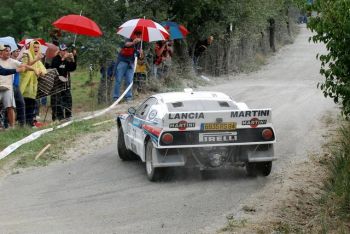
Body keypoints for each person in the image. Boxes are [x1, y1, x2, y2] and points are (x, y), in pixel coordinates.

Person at [0, 44, 32, 128]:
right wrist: (17, 70)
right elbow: (3, 71)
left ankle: (13, 127)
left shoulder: (12, 61)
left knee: (11, 107)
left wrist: (34, 69)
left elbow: (25, 66)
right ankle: (4, 125)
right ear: (1, 52)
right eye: (6, 50)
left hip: (9, 87)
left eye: (9, 50)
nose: (8, 52)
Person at [20, 40, 47, 126]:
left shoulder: (37, 57)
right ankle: (25, 122)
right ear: (31, 47)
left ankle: (30, 122)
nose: (36, 49)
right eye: (35, 47)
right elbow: (25, 66)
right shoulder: (26, 53)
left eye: (38, 47)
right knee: (26, 102)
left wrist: (41, 72)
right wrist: (36, 59)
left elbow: (42, 69)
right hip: (25, 82)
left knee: (32, 103)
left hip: (33, 83)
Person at [113, 31, 143, 102]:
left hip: (131, 63)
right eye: (138, 35)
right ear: (134, 35)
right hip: (122, 62)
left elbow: (139, 57)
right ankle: (116, 97)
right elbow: (126, 44)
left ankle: (128, 97)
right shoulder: (128, 38)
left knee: (129, 81)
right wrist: (133, 42)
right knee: (118, 80)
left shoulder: (140, 44)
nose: (139, 37)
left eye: (140, 35)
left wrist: (141, 53)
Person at [50, 43, 77, 121]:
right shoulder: (55, 59)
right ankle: (58, 117)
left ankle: (68, 115)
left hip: (64, 82)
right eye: (62, 50)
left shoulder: (67, 59)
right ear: (59, 51)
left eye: (65, 50)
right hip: (56, 83)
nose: (64, 52)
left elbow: (72, 68)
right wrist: (62, 59)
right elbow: (56, 68)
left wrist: (74, 58)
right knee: (57, 100)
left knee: (68, 98)